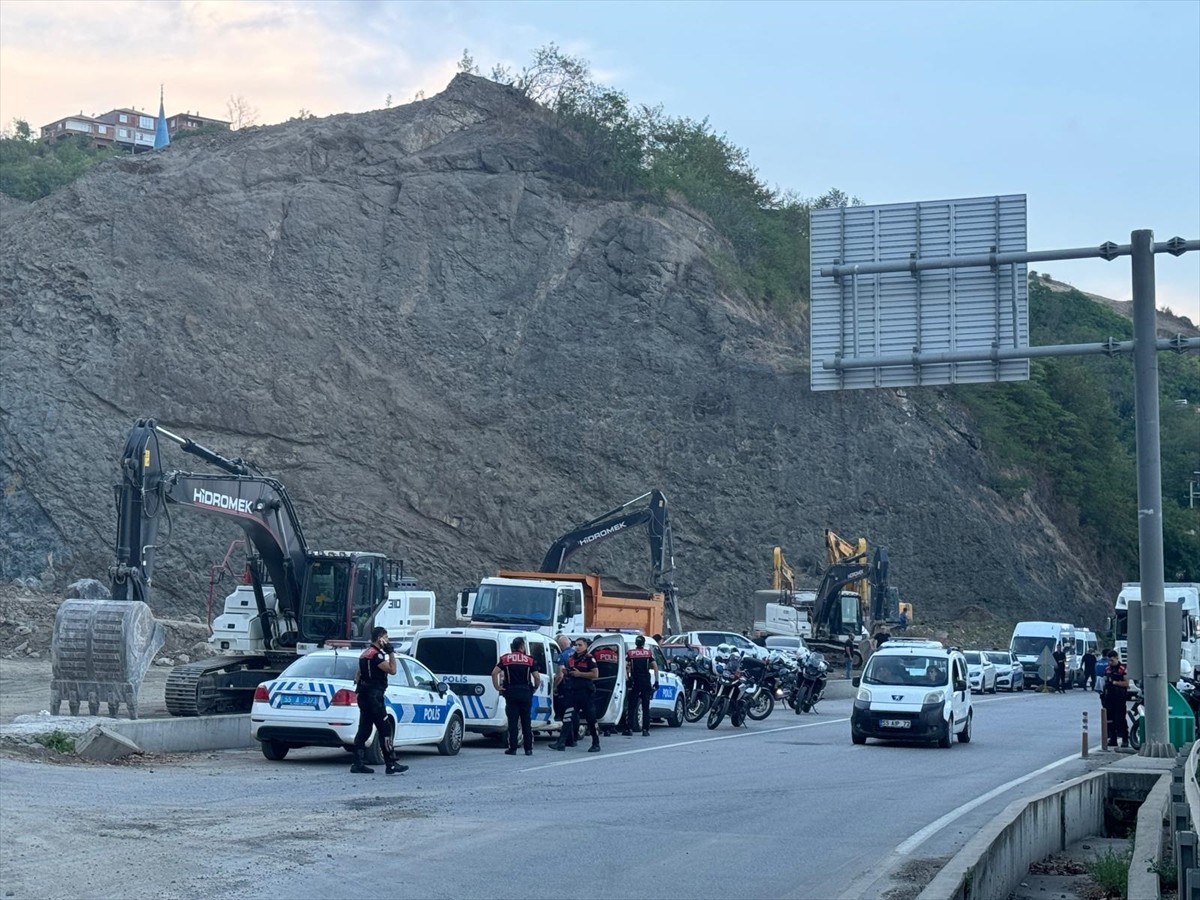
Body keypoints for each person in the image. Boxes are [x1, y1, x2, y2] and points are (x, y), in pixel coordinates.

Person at [351, 626, 407, 775]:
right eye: (386, 638)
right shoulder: (377, 656)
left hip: (363, 696)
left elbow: (358, 675)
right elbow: (392, 670)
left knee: (364, 729)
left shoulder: (364, 654)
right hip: (374, 698)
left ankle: (357, 763)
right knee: (385, 729)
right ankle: (391, 764)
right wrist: (391, 652)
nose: (387, 641)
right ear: (380, 638)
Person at [493, 636, 540, 756]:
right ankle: (528, 749)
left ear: (512, 647)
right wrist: (534, 687)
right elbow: (537, 677)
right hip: (525, 692)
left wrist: (497, 687)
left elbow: (494, 673)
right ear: (522, 647)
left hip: (511, 692)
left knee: (512, 722)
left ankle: (512, 748)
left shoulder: (505, 659)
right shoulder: (529, 660)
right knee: (526, 721)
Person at [552, 637, 600, 752]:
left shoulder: (589, 659)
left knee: (591, 719)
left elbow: (595, 674)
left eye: (580, 645)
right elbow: (569, 672)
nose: (577, 647)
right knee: (567, 718)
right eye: (576, 645)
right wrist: (567, 673)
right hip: (572, 692)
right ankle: (561, 743)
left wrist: (579, 674)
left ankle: (596, 743)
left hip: (585, 693)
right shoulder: (571, 659)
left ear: (586, 646)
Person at [623, 635, 659, 736]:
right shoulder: (648, 653)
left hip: (635, 680)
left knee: (631, 706)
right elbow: (655, 667)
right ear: (643, 643)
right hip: (645, 681)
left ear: (636, 643)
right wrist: (656, 681)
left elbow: (624, 665)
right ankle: (645, 730)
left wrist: (627, 679)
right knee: (645, 706)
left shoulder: (630, 653)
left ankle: (629, 728)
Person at [1101, 649, 1130, 748]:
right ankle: (1113, 739)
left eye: (1112, 660)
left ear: (1117, 658)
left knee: (1120, 719)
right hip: (1109, 697)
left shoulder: (1122, 669)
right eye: (1109, 660)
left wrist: (1115, 683)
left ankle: (1125, 739)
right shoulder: (1107, 669)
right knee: (1110, 719)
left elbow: (1126, 683)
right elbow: (1104, 681)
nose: (1110, 662)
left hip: (1120, 697)